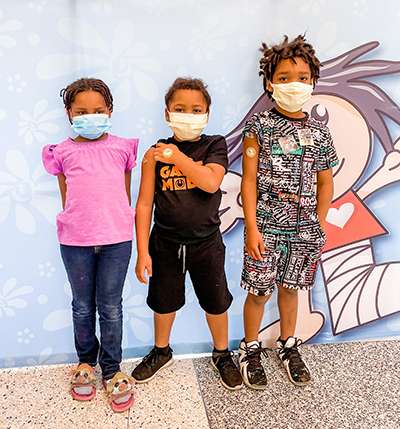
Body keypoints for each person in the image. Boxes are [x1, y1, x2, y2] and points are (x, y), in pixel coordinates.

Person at [238, 35, 339, 389]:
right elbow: (248, 181)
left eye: (301, 77)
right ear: (270, 83)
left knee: (291, 288)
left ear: (312, 81)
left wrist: (318, 224)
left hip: (304, 231)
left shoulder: (321, 133)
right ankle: (249, 348)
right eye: (283, 77)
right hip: (264, 229)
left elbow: (326, 183)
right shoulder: (259, 127)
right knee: (259, 290)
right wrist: (252, 228)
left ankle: (288, 344)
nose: (293, 84)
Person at [132, 77, 242, 390]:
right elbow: (143, 205)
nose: (188, 115)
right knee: (163, 303)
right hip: (164, 244)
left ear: (207, 114)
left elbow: (210, 182)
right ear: (167, 114)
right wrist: (142, 252)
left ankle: (221, 354)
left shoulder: (214, 144)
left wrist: (176, 157)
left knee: (216, 302)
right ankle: (161, 351)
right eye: (180, 109)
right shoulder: (154, 154)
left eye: (196, 109)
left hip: (207, 244)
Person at [42, 78, 137, 412]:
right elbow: (67, 195)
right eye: (81, 111)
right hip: (76, 241)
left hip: (116, 241)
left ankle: (112, 369)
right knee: (82, 306)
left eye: (98, 110)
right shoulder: (62, 152)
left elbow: (123, 194)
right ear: (69, 113)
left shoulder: (123, 147)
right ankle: (86, 363)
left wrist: (113, 222)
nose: (90, 116)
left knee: (111, 307)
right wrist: (83, 224)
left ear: (109, 110)